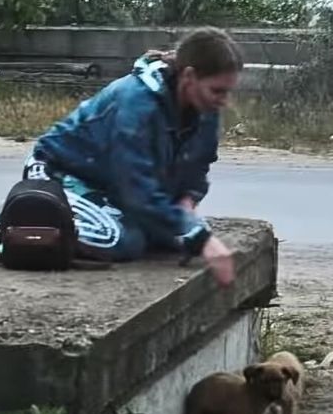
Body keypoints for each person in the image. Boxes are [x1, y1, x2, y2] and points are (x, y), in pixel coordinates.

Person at [22, 26, 244, 287]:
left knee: (173, 241)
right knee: (124, 240)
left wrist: (188, 202)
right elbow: (136, 188)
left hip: (112, 185)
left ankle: (84, 215)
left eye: (228, 91)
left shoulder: (206, 107)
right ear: (189, 76)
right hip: (61, 172)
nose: (224, 100)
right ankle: (31, 218)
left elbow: (198, 165)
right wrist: (201, 238)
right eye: (217, 91)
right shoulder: (137, 102)